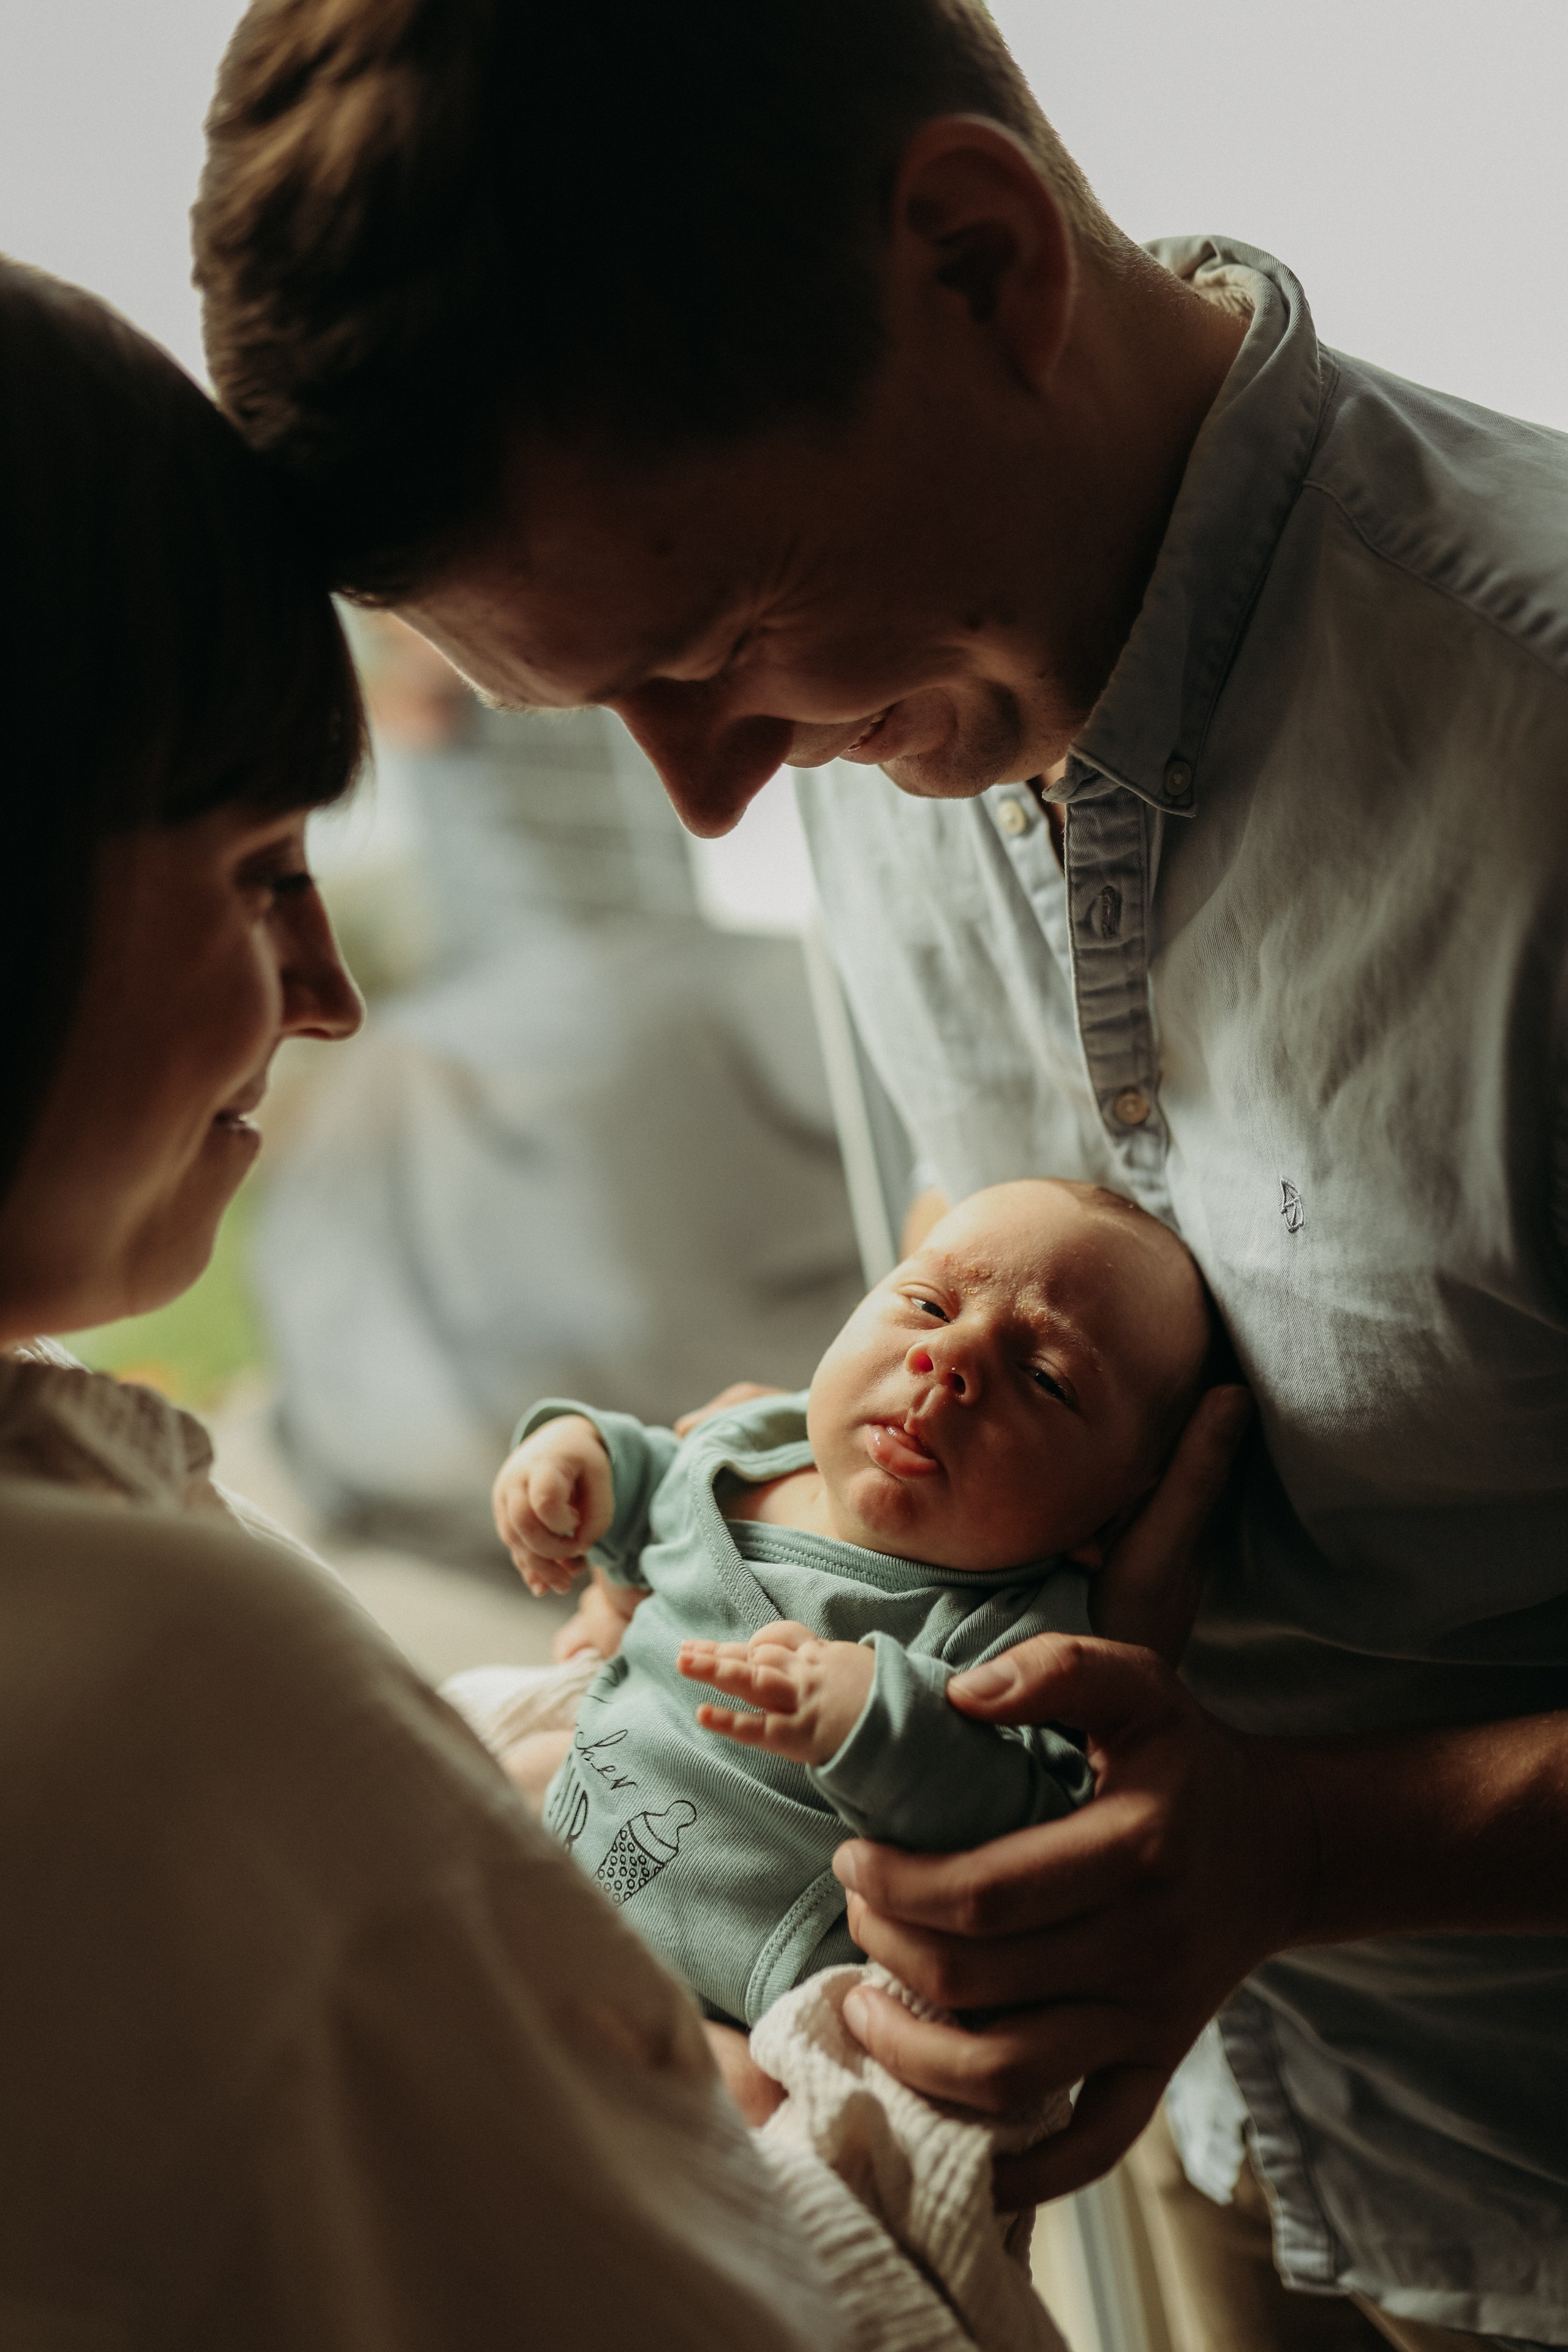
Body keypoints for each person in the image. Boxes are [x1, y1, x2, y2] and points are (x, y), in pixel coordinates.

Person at [191, 5, 1568, 2346]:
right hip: (1194, 2181)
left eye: (721, 648)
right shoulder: (872, 723)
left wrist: (1302, 1850)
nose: (714, 798)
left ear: (975, 257)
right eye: (608, 702)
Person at [0, 254, 867, 2350]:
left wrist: (480, 1771)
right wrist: (863, 2080)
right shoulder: (163, 1694)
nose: (329, 995)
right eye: (256, 872)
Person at [487, 1179, 1224, 2028]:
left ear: (1114, 1515)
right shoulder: (754, 1449)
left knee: (749, 2103)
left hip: (737, 1991)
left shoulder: (1024, 1634)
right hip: (566, 1838)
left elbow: (1040, 1818)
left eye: (1048, 1379)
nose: (954, 1359)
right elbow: (652, 1479)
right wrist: (576, 1459)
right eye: (927, 1302)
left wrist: (880, 1722)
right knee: (461, 1793)